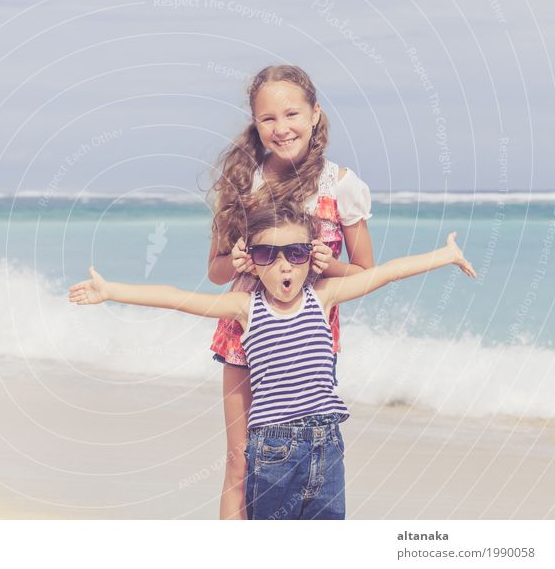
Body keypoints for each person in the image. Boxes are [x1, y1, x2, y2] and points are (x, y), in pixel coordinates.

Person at [68, 203, 476, 519]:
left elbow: (386, 273)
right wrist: (112, 291)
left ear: (311, 255)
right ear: (252, 260)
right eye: (268, 253)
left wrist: (445, 255)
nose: (284, 264)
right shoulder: (245, 308)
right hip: (273, 450)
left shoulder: (324, 296)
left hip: (327, 445)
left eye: (296, 252)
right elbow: (177, 297)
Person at [207, 65, 374, 518]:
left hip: (309, 340)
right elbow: (216, 272)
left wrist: (328, 265)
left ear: (315, 115)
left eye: (292, 114)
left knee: (309, 462)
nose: (282, 129)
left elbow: (363, 271)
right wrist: (237, 262)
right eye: (268, 119)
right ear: (255, 124)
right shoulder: (243, 182)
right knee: (239, 462)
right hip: (245, 336)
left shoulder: (341, 185)